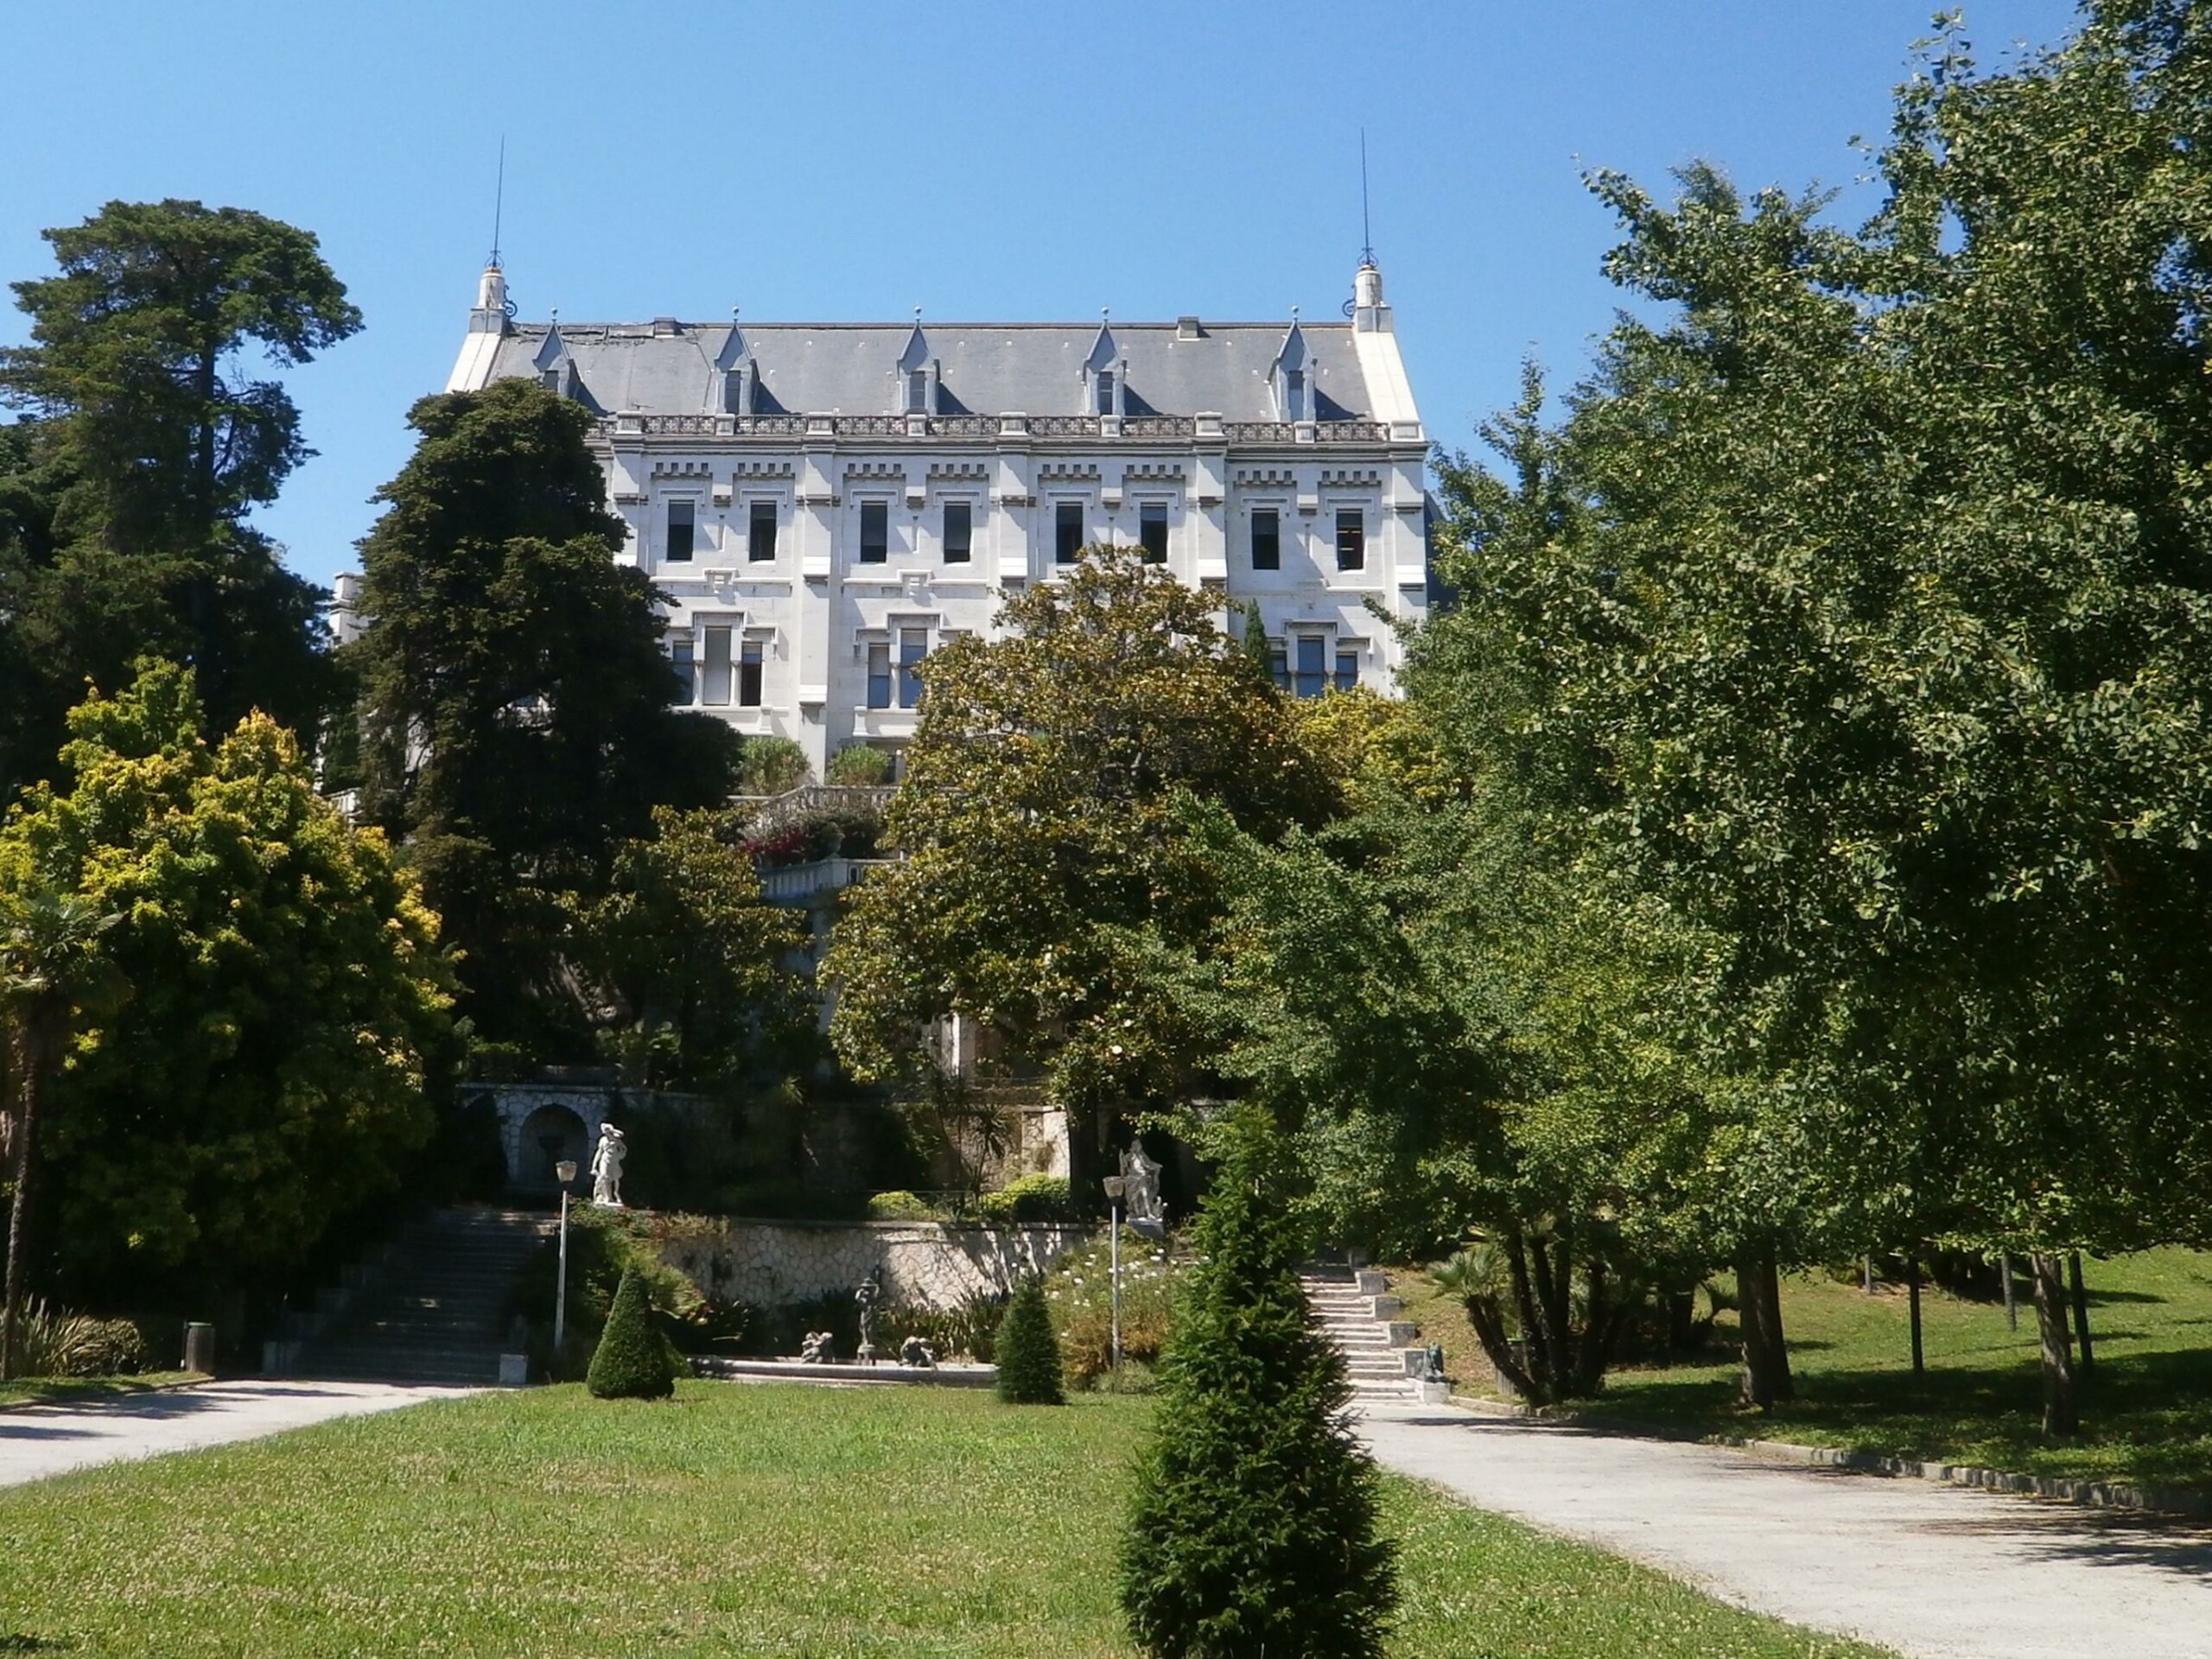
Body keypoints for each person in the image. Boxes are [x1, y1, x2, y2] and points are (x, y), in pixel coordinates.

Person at [589, 1122, 627, 1208]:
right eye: (603, 1130)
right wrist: (594, 1165)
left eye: (605, 1130)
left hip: (614, 1160)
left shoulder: (616, 1138)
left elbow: (622, 1135)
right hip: (605, 1159)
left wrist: (612, 1129)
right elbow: (599, 1152)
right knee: (604, 1176)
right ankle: (606, 1197)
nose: (604, 1132)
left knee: (614, 1178)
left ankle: (614, 1194)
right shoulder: (603, 1140)